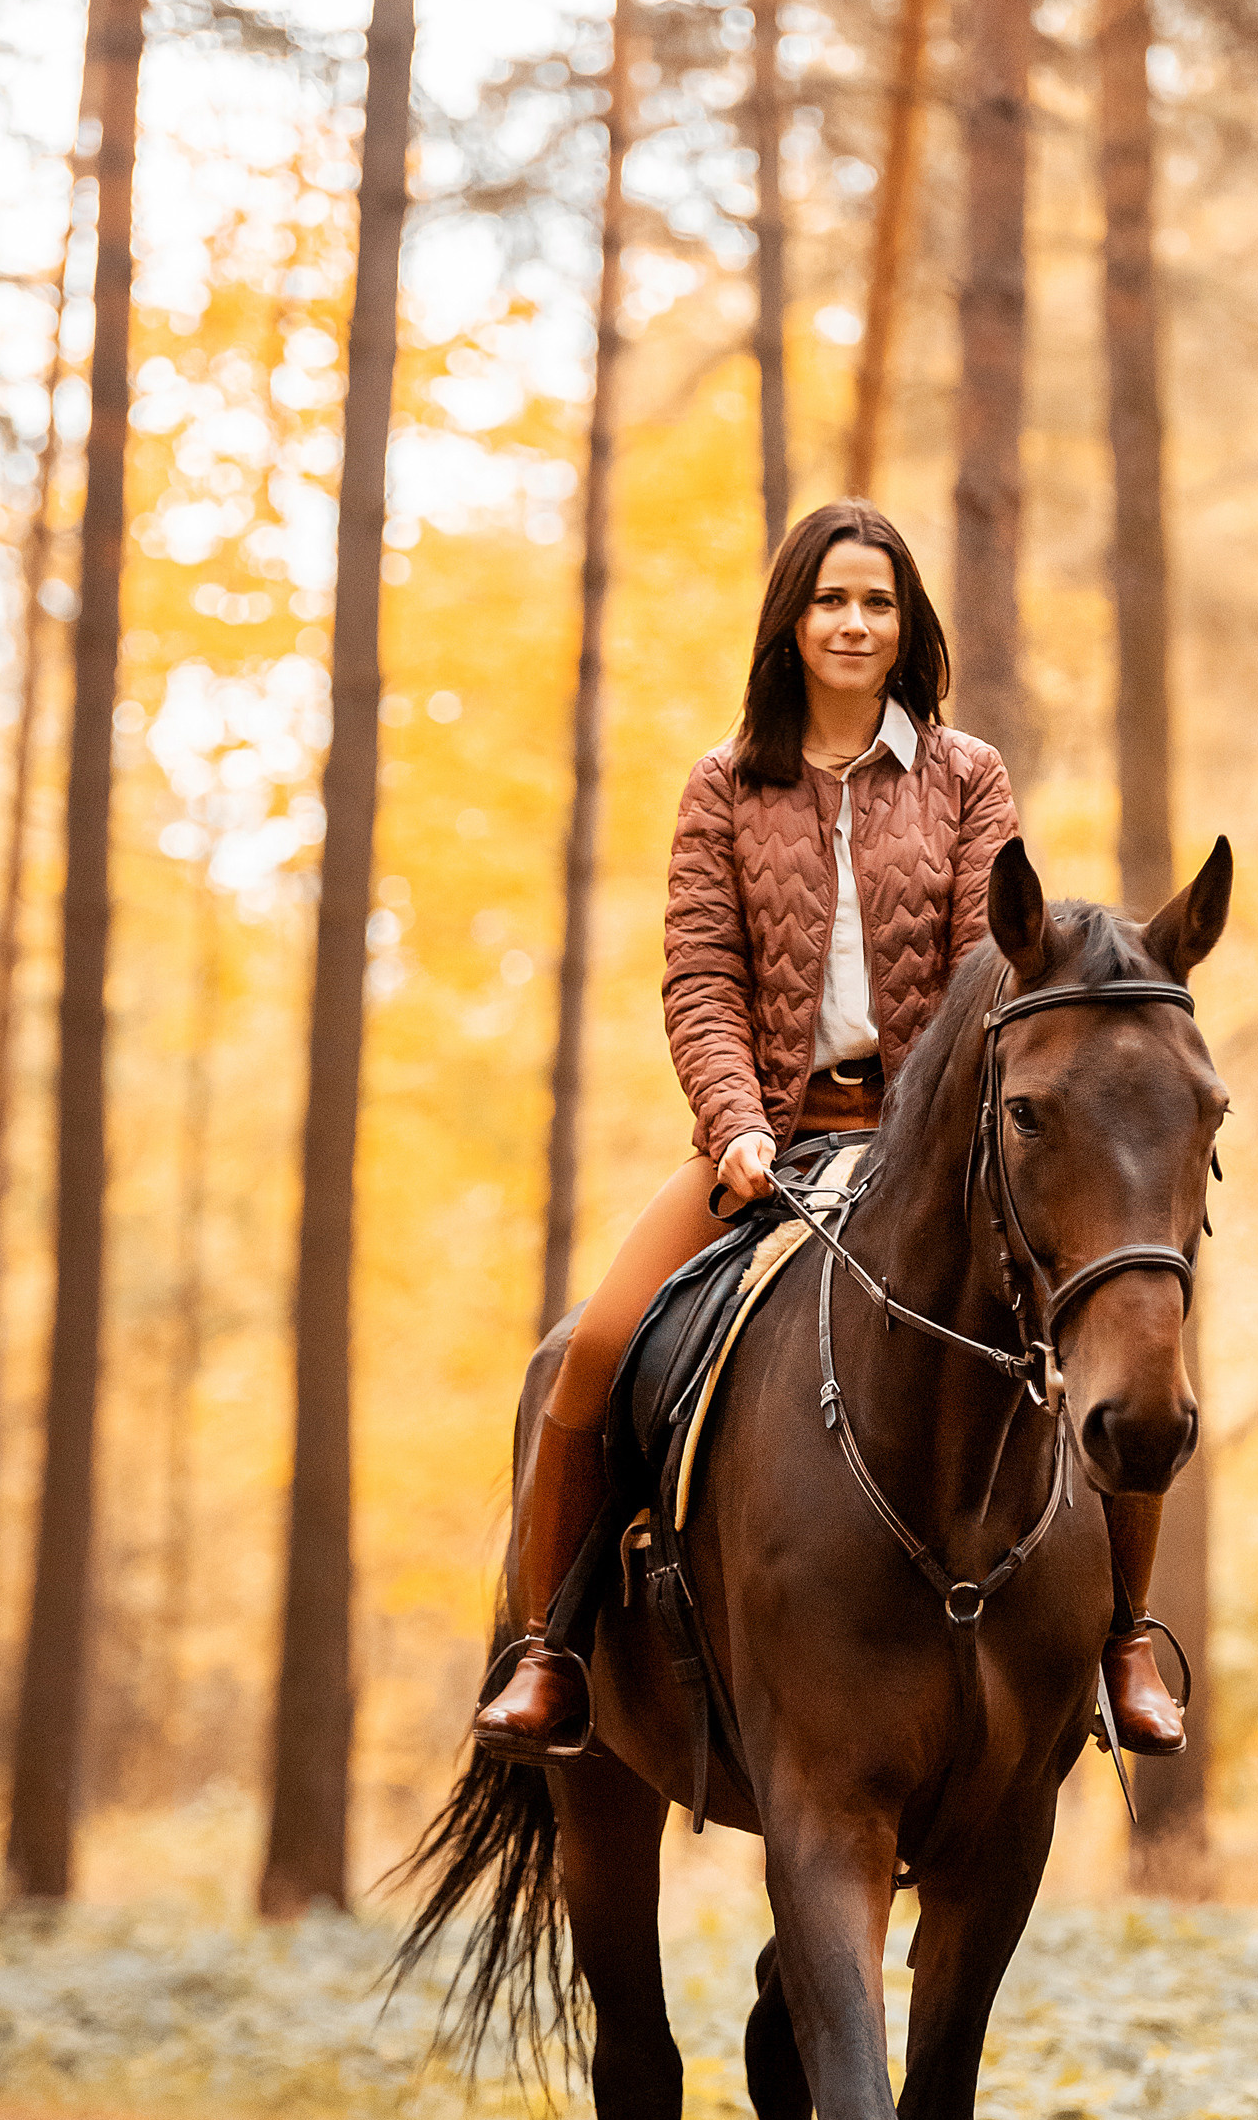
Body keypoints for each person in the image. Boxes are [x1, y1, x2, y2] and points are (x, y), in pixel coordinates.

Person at [474, 499, 1186, 1765]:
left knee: (1127, 1330)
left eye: (876, 603)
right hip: (765, 1145)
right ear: (790, 622)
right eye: (829, 600)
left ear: (904, 626)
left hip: (934, 1148)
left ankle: (1124, 1635)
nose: (852, 624)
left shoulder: (966, 776)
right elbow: (699, 976)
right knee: (592, 1351)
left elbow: (988, 964)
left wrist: (943, 1130)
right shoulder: (725, 784)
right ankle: (556, 1652)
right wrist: (735, 1125)